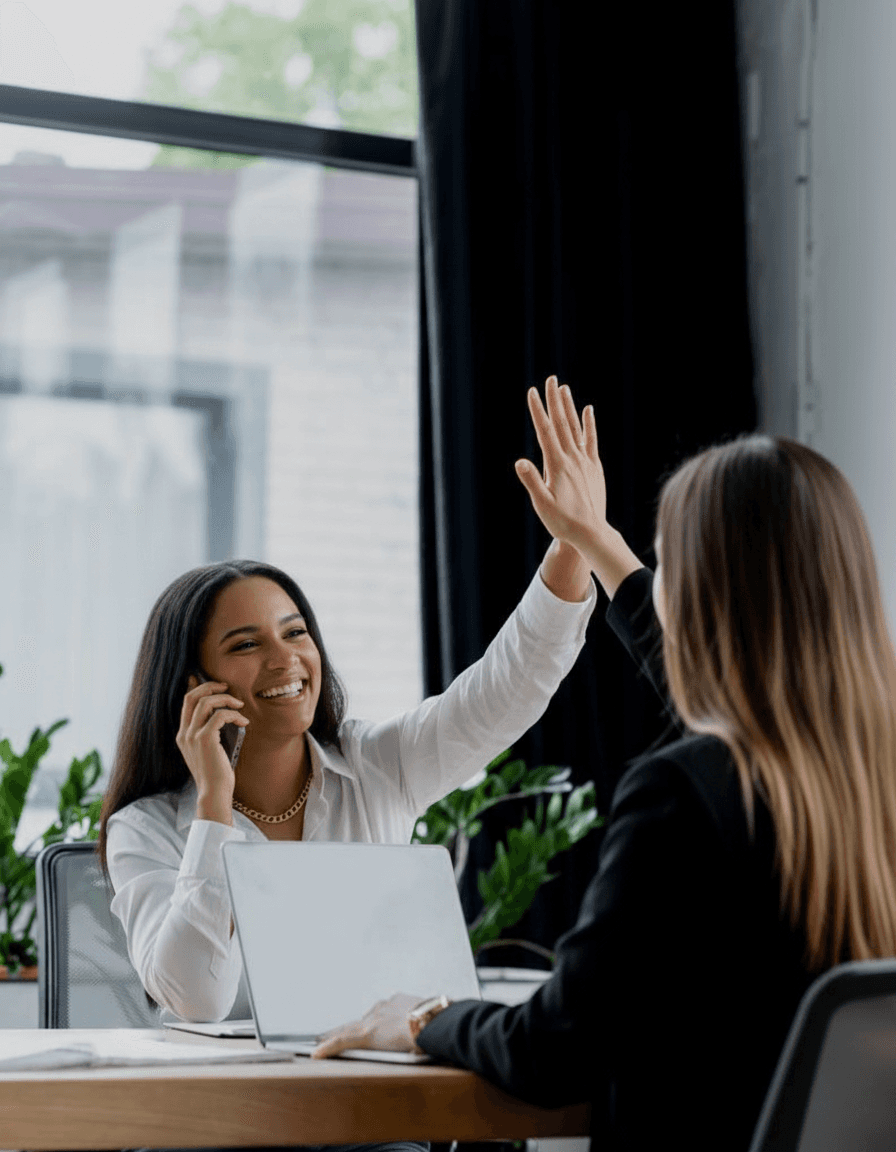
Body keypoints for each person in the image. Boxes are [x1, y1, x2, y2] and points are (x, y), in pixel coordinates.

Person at [311, 378, 896, 1152]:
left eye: (669, 565)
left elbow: (553, 1049)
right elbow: (732, 696)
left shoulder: (683, 795)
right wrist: (596, 542)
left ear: (702, 598)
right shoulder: (864, 781)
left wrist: (425, 1018)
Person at [97, 383, 598, 1029]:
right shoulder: (145, 829)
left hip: (370, 1095)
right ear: (194, 681)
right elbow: (199, 999)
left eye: (296, 632)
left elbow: (509, 686)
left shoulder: (378, 766)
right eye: (246, 644)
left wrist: (575, 543)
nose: (285, 660)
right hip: (227, 1116)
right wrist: (212, 804)